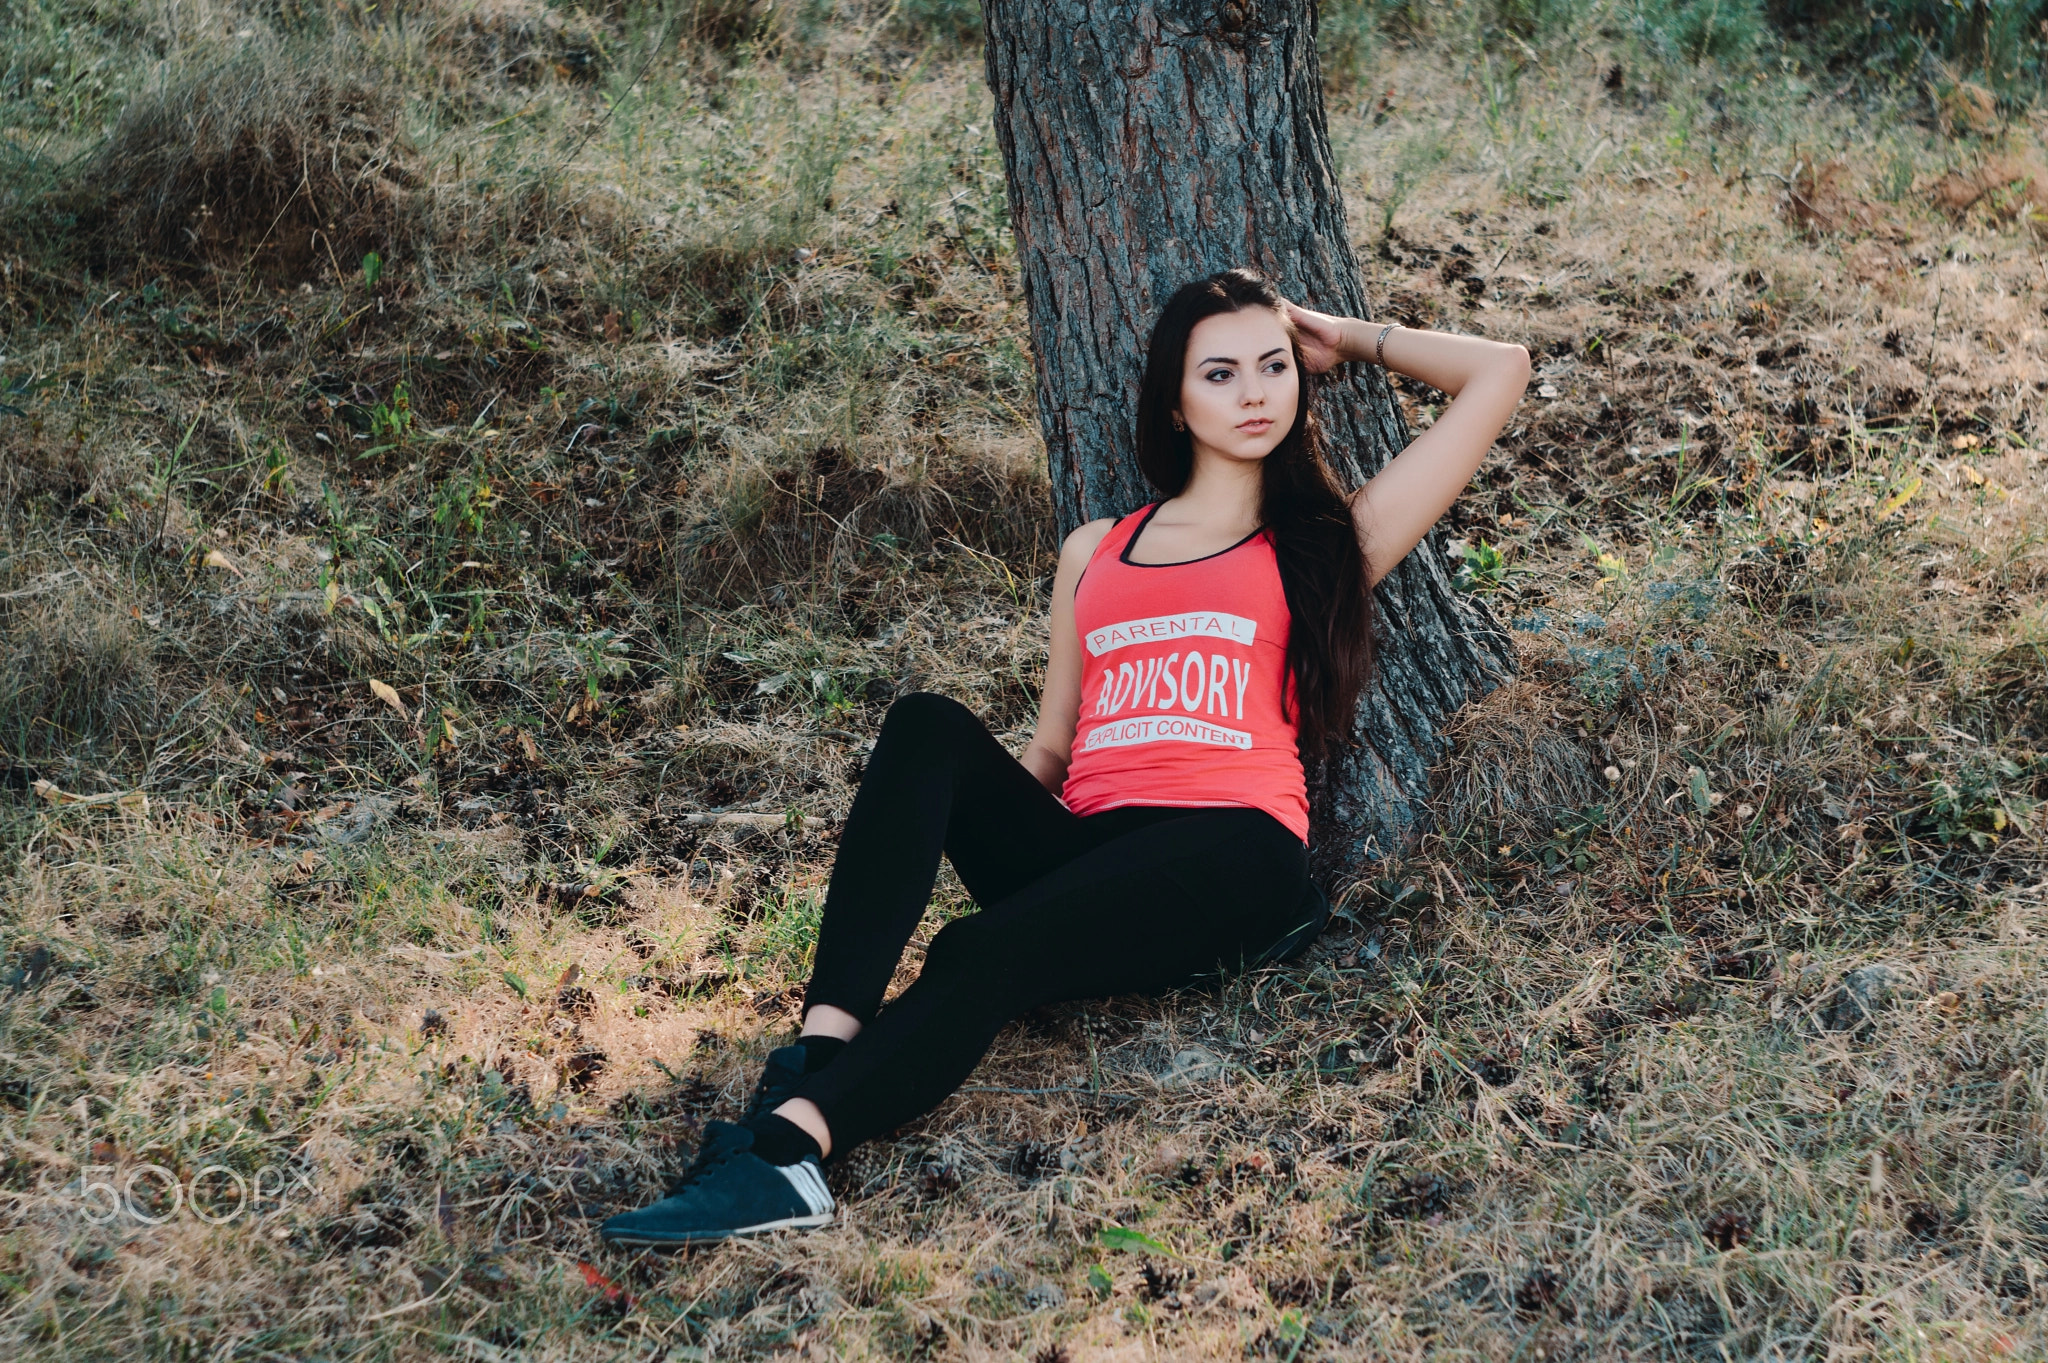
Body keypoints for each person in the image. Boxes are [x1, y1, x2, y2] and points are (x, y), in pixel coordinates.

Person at [600, 268, 1530, 1246]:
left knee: (977, 951)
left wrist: (1342, 335)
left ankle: (792, 1153)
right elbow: (1051, 744)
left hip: (1231, 854)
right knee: (925, 724)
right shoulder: (1099, 550)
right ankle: (814, 1055)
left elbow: (1497, 372)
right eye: (1219, 373)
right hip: (1095, 855)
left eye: (1270, 366)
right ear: (1172, 402)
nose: (1255, 392)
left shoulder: (1320, 544)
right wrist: (1014, 857)